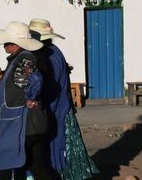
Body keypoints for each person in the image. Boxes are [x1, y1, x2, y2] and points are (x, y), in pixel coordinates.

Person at [29, 19, 99, 180]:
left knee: (56, 151)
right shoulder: (53, 51)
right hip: (60, 108)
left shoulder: (48, 55)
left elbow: (49, 85)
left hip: (55, 110)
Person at [0, 21, 56, 180]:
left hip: (21, 123)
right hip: (31, 123)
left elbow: (33, 81)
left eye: (7, 42)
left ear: (15, 44)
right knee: (38, 167)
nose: (4, 45)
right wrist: (2, 78)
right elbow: (19, 84)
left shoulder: (23, 60)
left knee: (7, 164)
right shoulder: (20, 59)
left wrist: (31, 97)